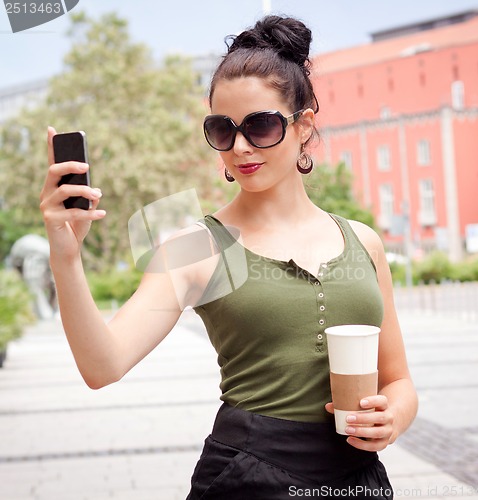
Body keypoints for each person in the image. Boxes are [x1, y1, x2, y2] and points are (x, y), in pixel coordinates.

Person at [40, 15, 418, 500]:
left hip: (356, 482)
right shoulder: (198, 246)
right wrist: (65, 259)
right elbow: (103, 365)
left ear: (303, 127)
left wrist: (393, 417)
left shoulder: (363, 242)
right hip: (248, 480)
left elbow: (400, 380)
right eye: (222, 129)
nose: (240, 147)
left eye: (260, 125)